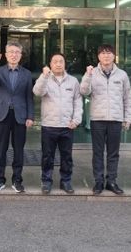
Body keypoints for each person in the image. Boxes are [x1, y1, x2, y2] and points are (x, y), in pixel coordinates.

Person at [80, 44, 131, 196]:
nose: (106, 56)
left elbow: (127, 98)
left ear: (114, 56)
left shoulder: (122, 75)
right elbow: (84, 91)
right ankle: (98, 181)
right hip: (98, 119)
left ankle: (111, 181)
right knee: (98, 152)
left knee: (113, 153)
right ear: (98, 56)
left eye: (109, 53)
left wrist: (128, 117)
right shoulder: (92, 73)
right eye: (103, 53)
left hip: (116, 119)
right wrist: (88, 75)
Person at [0, 42, 34, 193]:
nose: (14, 55)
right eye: (11, 52)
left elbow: (29, 97)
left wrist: (30, 116)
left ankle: (17, 180)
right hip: (2, 114)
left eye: (16, 52)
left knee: (18, 149)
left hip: (20, 115)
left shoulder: (27, 74)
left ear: (21, 55)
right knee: (1, 148)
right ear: (6, 55)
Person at [33, 53, 83, 195]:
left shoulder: (73, 81)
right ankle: (46, 181)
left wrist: (76, 119)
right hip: (49, 125)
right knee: (47, 156)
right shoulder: (45, 79)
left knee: (67, 156)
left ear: (65, 64)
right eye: (55, 61)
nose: (58, 64)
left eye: (61, 61)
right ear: (50, 64)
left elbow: (78, 102)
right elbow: (37, 92)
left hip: (67, 125)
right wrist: (44, 76)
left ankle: (66, 181)